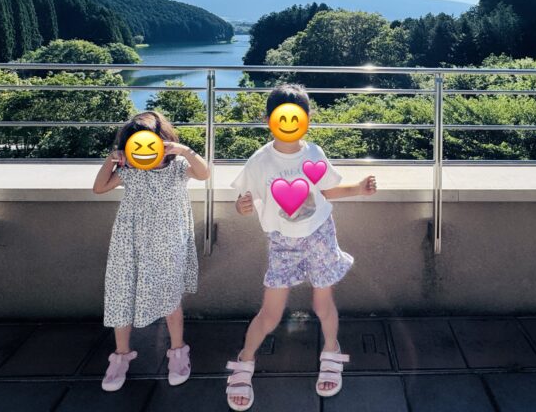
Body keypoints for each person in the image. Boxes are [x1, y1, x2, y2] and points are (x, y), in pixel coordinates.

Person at [225, 84, 377, 411]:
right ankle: (245, 360)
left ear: (307, 119)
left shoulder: (314, 154)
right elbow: (242, 199)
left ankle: (331, 350)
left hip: (320, 235)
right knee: (271, 312)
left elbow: (327, 192)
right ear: (269, 119)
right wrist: (242, 207)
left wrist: (359, 189)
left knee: (324, 305)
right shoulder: (260, 161)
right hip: (282, 242)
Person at [93, 111, 208, 392]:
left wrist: (184, 150)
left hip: (169, 241)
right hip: (130, 242)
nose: (143, 151)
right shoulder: (129, 169)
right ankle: (121, 356)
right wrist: (113, 159)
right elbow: (99, 188)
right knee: (122, 294)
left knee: (170, 296)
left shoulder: (178, 165)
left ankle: (178, 351)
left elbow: (204, 173)